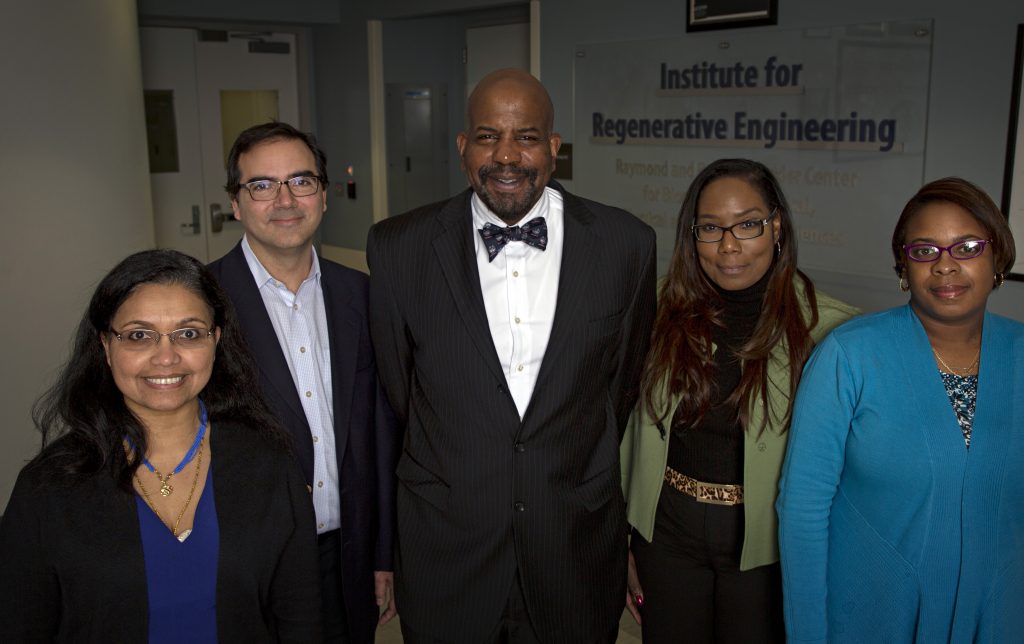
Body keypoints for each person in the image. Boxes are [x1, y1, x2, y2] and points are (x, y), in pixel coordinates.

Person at [366, 68, 657, 643]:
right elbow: (400, 392)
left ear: (553, 149)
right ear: (461, 148)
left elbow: (620, 389)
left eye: (525, 137)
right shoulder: (398, 246)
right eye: (486, 136)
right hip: (448, 548)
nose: (505, 155)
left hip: (574, 543)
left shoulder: (627, 244)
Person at [0, 249, 321, 642]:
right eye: (138, 335)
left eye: (188, 333)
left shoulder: (271, 464)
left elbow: (301, 619)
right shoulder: (47, 487)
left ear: (215, 339)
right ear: (105, 344)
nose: (166, 357)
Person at [620, 158, 858, 643]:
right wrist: (621, 540)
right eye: (711, 228)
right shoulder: (654, 309)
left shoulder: (830, 330)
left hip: (765, 550)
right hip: (665, 540)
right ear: (692, 235)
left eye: (747, 224)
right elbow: (619, 430)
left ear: (777, 227)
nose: (729, 245)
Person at [776, 177, 1024, 643]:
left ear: (998, 260)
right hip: (873, 619)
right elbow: (803, 510)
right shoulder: (849, 355)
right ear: (903, 268)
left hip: (999, 620)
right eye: (924, 251)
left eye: (967, 247)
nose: (945, 267)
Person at [208, 121, 398, 643]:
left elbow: (379, 432)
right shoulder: (201, 302)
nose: (285, 199)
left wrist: (384, 551)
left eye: (301, 180)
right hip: (247, 561)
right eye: (262, 185)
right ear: (235, 202)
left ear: (324, 195)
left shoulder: (361, 294)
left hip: (349, 558)